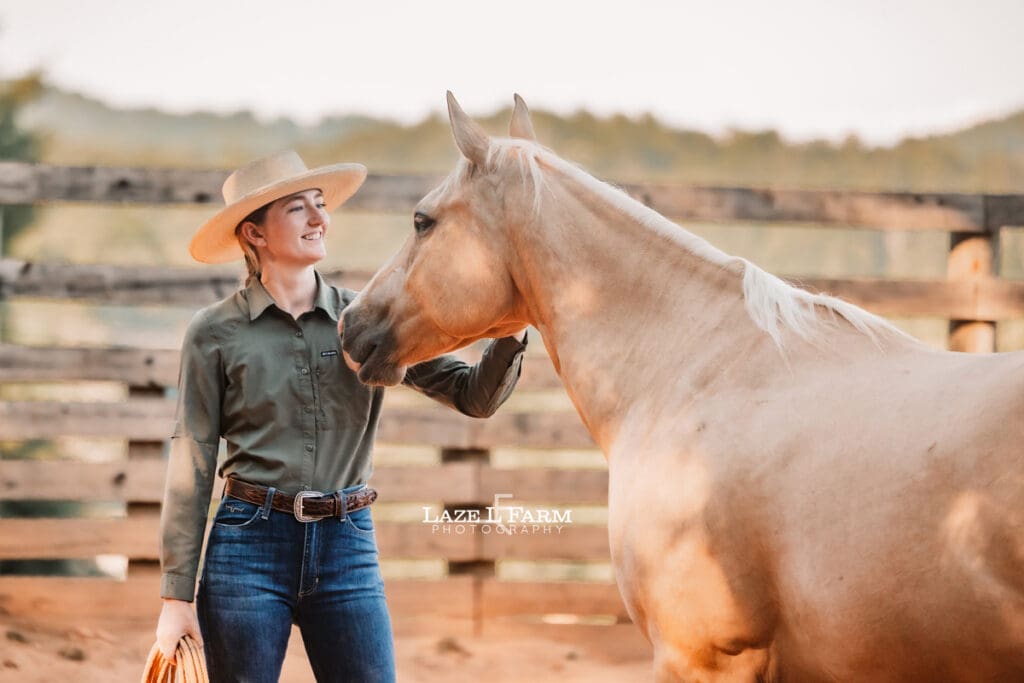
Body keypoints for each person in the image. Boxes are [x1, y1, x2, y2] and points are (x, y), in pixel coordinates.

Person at [154, 150, 527, 682]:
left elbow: (473, 396)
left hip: (348, 544)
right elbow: (191, 457)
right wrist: (175, 598)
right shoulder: (214, 333)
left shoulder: (368, 321)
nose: (318, 218)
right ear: (254, 234)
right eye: (297, 208)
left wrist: (511, 325)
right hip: (247, 547)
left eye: (320, 204)